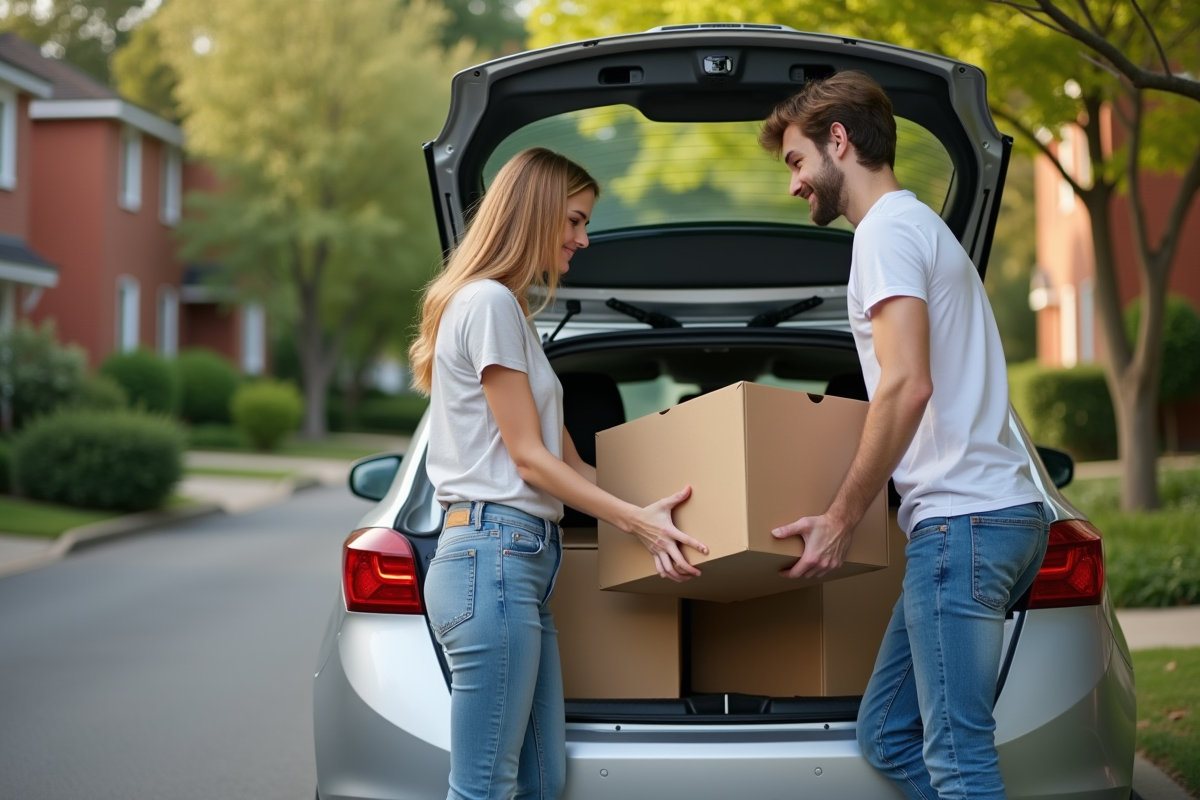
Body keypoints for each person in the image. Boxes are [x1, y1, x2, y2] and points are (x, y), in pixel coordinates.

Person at [758, 72, 1049, 800]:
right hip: (990, 520)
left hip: (963, 525)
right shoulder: (923, 227)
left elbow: (906, 383)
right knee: (888, 733)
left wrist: (840, 519)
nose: (793, 185)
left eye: (796, 162)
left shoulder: (884, 233)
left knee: (957, 758)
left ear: (838, 140)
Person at [407, 147, 708, 800]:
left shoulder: (510, 313)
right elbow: (530, 460)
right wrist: (640, 527)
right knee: (484, 787)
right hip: (493, 559)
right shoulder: (485, 304)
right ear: (534, 213)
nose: (583, 238)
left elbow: (569, 460)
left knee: (543, 782)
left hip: (517, 565)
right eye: (574, 220)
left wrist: (670, 507)